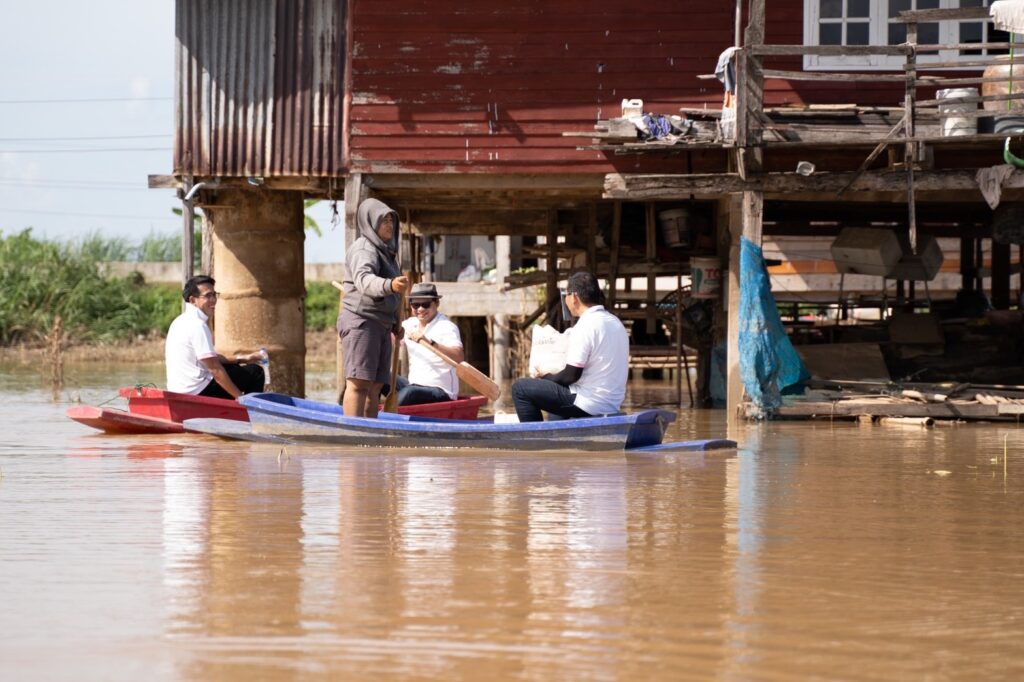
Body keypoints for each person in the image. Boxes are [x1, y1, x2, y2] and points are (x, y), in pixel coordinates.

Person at [511, 271, 629, 422]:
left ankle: (535, 434)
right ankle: (557, 432)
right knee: (558, 403)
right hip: (611, 404)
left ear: (574, 297)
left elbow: (571, 376)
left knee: (520, 388)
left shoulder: (586, 325)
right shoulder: (615, 322)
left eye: (566, 294)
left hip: (590, 403)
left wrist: (545, 378)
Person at [339, 198, 410, 417]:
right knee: (359, 383)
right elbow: (364, 280)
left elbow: (393, 296)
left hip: (382, 324)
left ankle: (369, 430)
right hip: (362, 321)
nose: (389, 225)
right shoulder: (364, 248)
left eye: (391, 220)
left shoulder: (387, 252)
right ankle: (353, 432)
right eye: (383, 220)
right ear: (370, 223)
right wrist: (390, 285)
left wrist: (396, 323)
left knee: (376, 386)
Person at [165, 275, 265, 400]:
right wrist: (241, 399)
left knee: (232, 369)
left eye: (214, 294)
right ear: (192, 300)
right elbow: (215, 370)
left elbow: (212, 358)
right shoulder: (198, 325)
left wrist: (244, 358)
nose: (213, 300)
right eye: (207, 296)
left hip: (179, 390)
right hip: (196, 392)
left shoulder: (179, 321)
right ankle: (250, 409)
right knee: (256, 372)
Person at [395, 282, 464, 406]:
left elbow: (459, 357)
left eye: (426, 304)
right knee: (379, 376)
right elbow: (390, 336)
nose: (420, 309)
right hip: (413, 385)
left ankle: (386, 414)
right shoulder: (409, 324)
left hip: (442, 391)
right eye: (416, 305)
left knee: (410, 392)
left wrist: (429, 342)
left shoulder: (447, 327)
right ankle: (370, 413)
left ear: (436, 303)